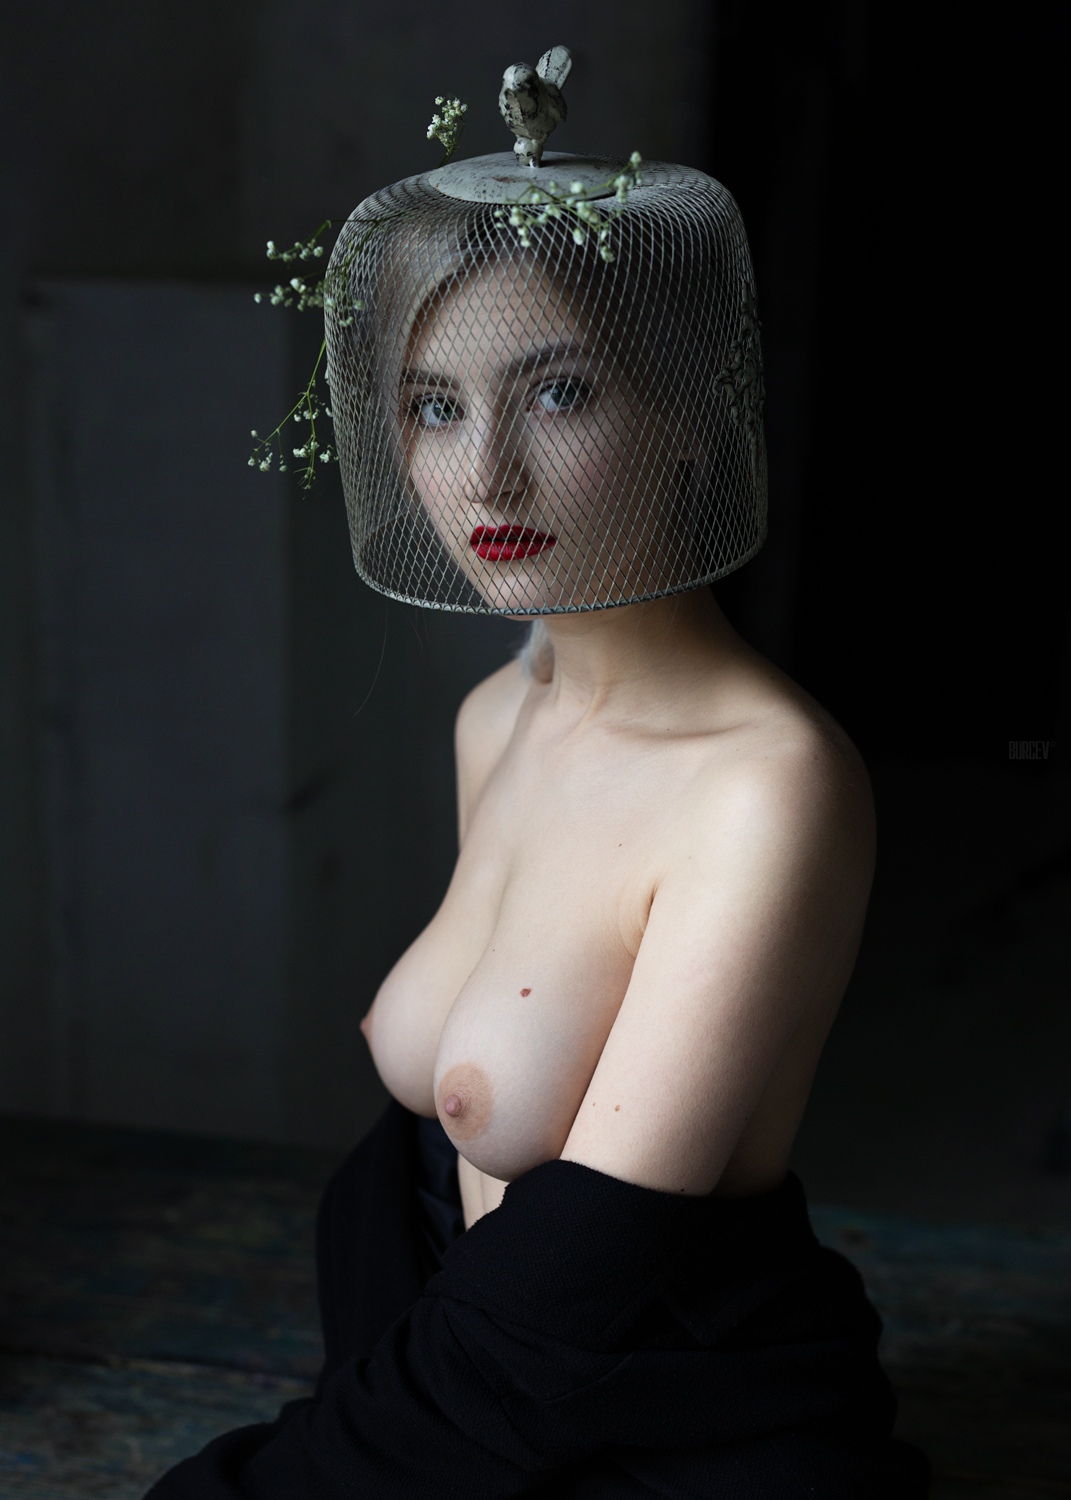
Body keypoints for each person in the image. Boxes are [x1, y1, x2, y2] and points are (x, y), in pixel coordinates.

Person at [146, 55, 930, 1498]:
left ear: (688, 408)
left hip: (670, 1432)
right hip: (456, 1384)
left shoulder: (765, 791)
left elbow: (579, 1283)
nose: (486, 475)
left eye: (556, 393)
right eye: (435, 406)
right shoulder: (495, 719)